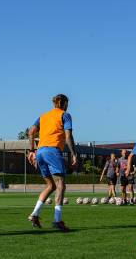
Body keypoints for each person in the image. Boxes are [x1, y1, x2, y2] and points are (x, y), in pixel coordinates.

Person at [27, 94, 78, 232]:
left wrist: (32, 150)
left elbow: (31, 132)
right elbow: (68, 136)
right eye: (67, 103)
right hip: (52, 151)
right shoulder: (65, 115)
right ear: (64, 103)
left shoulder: (43, 116)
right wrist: (73, 153)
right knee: (61, 185)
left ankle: (35, 214)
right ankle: (58, 220)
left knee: (51, 186)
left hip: (40, 152)